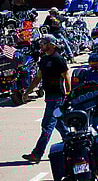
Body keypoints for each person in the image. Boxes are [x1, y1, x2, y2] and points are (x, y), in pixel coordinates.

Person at [22, 34, 71, 164]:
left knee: (47, 125)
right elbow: (38, 77)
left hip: (57, 97)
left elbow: (66, 76)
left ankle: (37, 154)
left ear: (52, 45)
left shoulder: (58, 59)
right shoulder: (43, 60)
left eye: (44, 42)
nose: (41, 45)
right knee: (61, 126)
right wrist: (27, 92)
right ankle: (73, 146)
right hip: (49, 97)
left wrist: (69, 93)